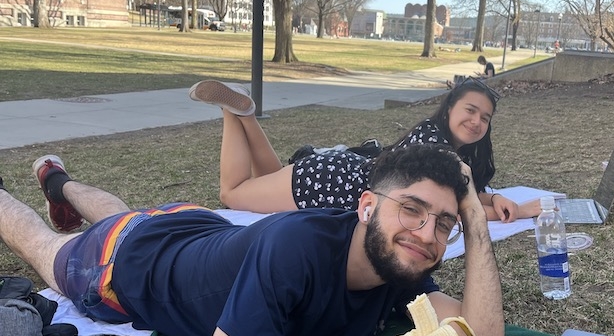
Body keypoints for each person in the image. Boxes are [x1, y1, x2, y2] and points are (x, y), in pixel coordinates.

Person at [0, 144, 503, 336]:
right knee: (42, 244)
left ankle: (58, 182)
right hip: (121, 264)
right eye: (411, 209)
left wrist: (474, 216)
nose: (425, 234)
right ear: (367, 207)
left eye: (443, 223)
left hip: (196, 226)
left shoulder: (398, 265)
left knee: (125, 213)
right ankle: (38, 189)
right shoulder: (298, 250)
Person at [186, 77, 542, 223]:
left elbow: (463, 191)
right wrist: (519, 210)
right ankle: (231, 112)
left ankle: (245, 113)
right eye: (470, 110)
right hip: (333, 184)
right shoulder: (436, 145)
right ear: (450, 109)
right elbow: (458, 203)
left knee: (267, 177)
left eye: (485, 117)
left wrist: (492, 199)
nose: (477, 121)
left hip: (337, 173)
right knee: (232, 194)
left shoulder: (440, 141)